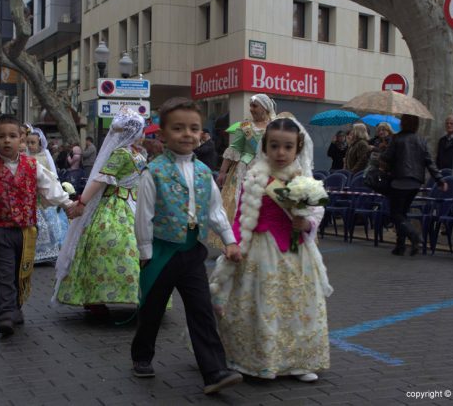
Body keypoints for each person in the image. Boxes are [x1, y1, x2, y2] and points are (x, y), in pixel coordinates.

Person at [130, 97, 243, 395]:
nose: (187, 134)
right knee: (152, 308)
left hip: (193, 252)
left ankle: (214, 371)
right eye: (178, 128)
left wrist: (230, 241)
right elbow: (144, 215)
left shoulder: (206, 172)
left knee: (201, 310)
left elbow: (215, 211)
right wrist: (145, 252)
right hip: (161, 251)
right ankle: (142, 355)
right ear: (163, 135)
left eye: (194, 128)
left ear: (201, 133)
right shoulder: (153, 172)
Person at [209, 117, 333, 382]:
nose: (280, 152)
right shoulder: (255, 178)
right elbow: (241, 214)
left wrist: (307, 222)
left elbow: (317, 210)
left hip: (296, 250)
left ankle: (299, 361)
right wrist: (233, 244)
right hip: (259, 249)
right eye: (274, 145)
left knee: (298, 305)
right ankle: (262, 359)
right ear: (264, 147)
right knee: (262, 304)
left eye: (287, 147)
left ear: (297, 149)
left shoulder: (304, 180)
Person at [0, 114, 76, 336]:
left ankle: (15, 307)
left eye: (12, 136)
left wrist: (68, 203)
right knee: (3, 272)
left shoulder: (33, 166)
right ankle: (6, 313)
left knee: (21, 272)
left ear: (21, 139)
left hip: (26, 231)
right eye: (1, 136)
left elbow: (50, 187)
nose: (7, 141)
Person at [53, 108, 147, 314]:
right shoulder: (122, 154)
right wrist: (82, 203)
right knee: (120, 246)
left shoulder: (137, 153)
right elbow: (100, 179)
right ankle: (97, 296)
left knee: (139, 248)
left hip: (134, 203)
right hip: (116, 206)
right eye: (141, 129)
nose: (144, 133)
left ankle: (140, 294)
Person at [381, 114, 447, 256]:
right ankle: (400, 246)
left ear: (403, 123)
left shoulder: (397, 139)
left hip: (399, 181)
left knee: (396, 214)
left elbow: (386, 158)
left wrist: (384, 149)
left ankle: (413, 235)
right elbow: (430, 162)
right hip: (415, 182)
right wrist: (440, 180)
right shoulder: (421, 140)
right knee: (403, 213)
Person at [217, 94, 276, 223]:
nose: (251, 109)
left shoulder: (275, 126)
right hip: (244, 171)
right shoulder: (245, 126)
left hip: (268, 171)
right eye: (250, 106)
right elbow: (234, 148)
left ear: (265, 108)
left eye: (255, 106)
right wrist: (222, 172)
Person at [26, 128, 69, 264]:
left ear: (39, 143)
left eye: (33, 143)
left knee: (47, 223)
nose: (30, 146)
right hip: (30, 194)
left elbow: (51, 174)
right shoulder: (25, 158)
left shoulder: (45, 156)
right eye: (28, 143)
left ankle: (48, 252)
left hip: (43, 195)